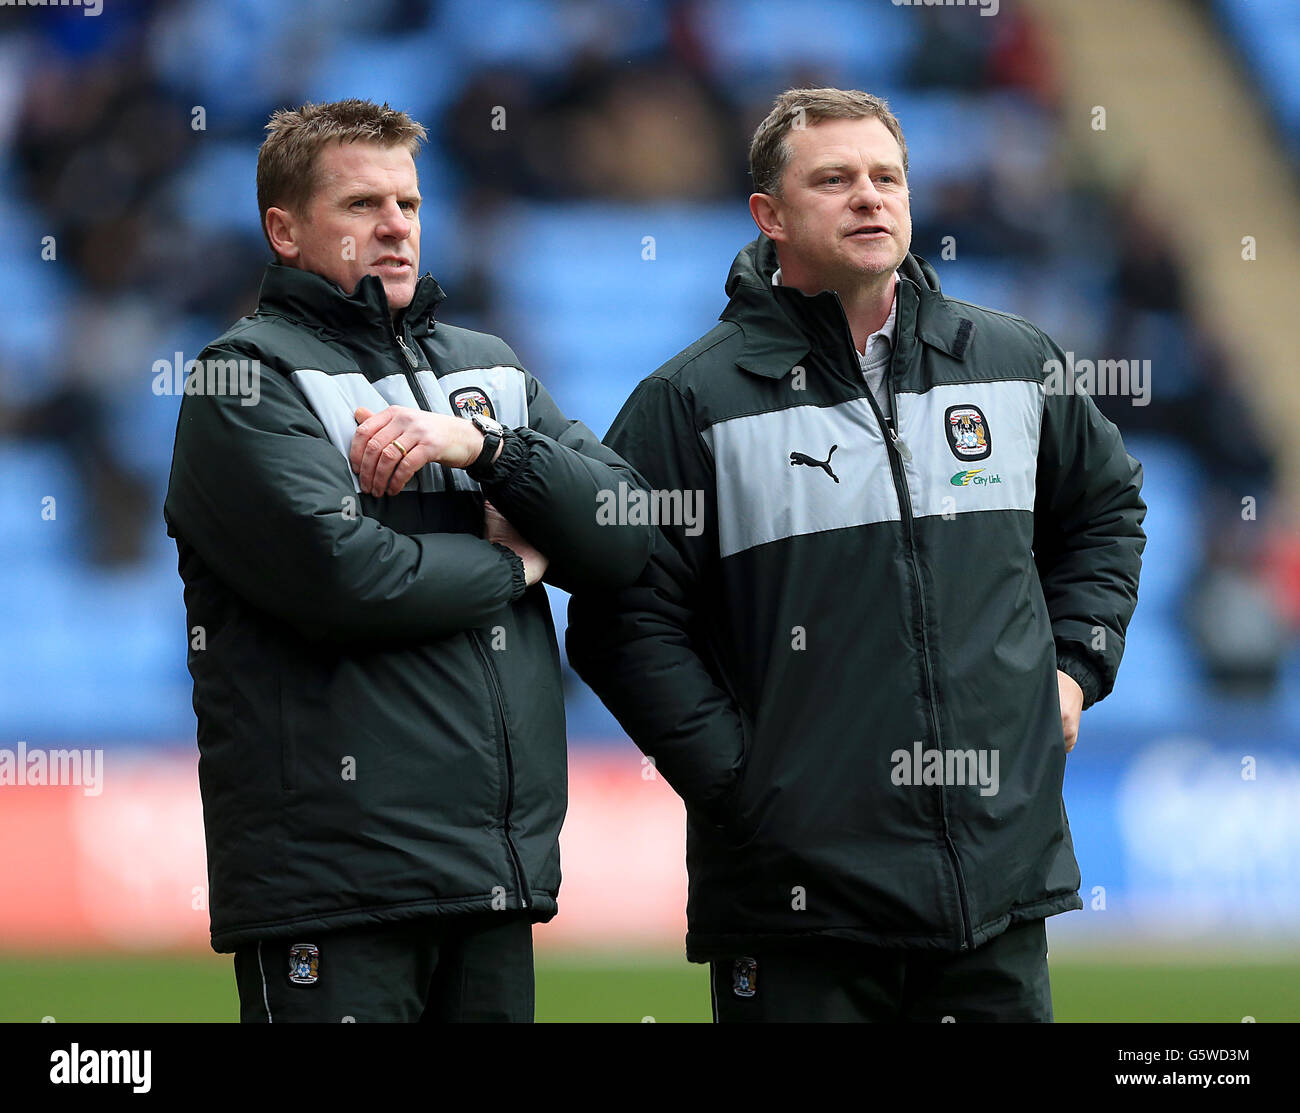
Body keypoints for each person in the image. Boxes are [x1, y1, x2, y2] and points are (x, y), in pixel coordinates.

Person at [566, 88, 1146, 1022]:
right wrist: (746, 787)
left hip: (993, 889)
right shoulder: (689, 403)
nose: (870, 198)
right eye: (834, 180)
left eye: (887, 177)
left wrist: (1076, 666)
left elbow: (1108, 511)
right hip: (800, 910)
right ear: (770, 215)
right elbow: (620, 622)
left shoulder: (1011, 361)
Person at [163, 99, 652, 1022]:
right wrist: (517, 567)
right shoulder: (245, 377)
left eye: (410, 204)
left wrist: (487, 450)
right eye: (360, 206)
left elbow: (627, 530)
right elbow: (350, 579)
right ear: (285, 229)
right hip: (335, 886)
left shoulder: (488, 369)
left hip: (496, 876)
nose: (395, 227)